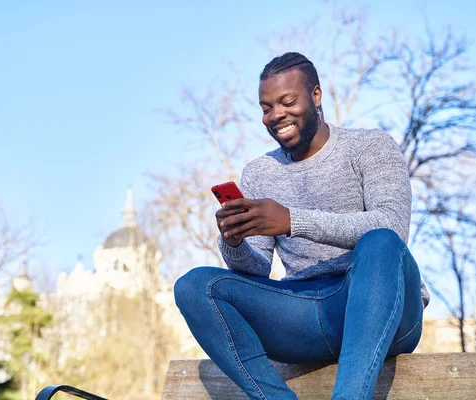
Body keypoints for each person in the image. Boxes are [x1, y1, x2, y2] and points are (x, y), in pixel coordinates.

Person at [174, 52, 430, 400]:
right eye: (266, 108)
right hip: (304, 315)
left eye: (287, 102)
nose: (276, 115)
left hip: (381, 310)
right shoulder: (260, 172)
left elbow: (392, 227)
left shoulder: (369, 146)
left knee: (380, 242)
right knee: (194, 286)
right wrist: (234, 241)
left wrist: (293, 221)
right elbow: (256, 270)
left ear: (316, 96)